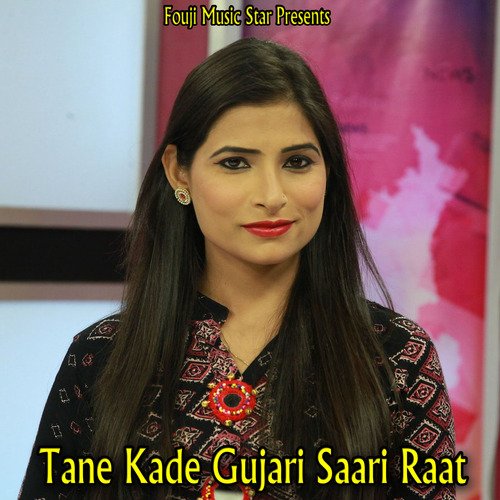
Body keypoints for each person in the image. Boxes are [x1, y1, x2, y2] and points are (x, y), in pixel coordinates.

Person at [19, 38, 456, 499]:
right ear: (179, 172)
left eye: (297, 162)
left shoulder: (396, 355)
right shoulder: (102, 357)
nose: (272, 195)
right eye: (235, 163)